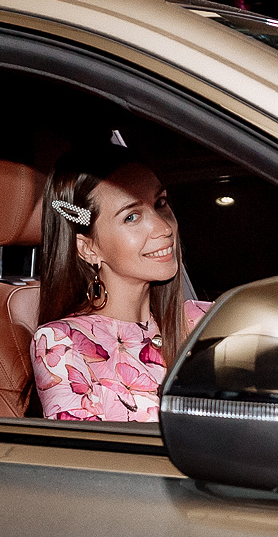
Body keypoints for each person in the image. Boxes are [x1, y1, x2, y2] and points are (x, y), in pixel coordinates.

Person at [30, 147, 210, 421]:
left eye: (160, 203)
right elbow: (81, 447)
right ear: (88, 248)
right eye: (131, 216)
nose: (165, 228)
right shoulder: (63, 343)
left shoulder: (203, 320)